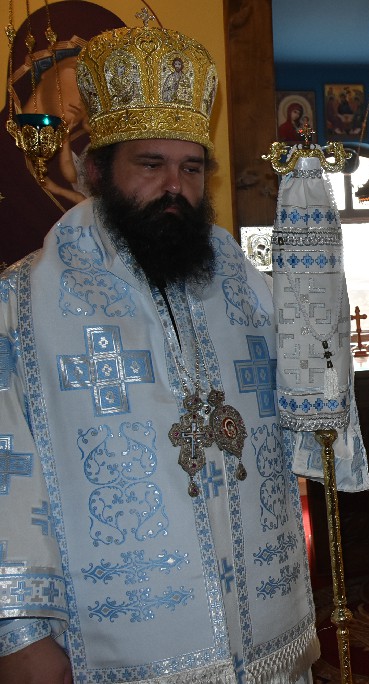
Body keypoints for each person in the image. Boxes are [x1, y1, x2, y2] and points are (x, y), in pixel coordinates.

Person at [0, 24, 321, 683]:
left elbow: (306, 398)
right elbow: (7, 471)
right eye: (151, 165)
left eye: (191, 168)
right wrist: (21, 635)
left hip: (266, 632)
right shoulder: (24, 302)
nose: (175, 186)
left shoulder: (241, 283)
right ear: (98, 170)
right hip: (125, 648)